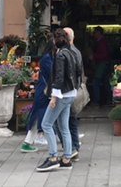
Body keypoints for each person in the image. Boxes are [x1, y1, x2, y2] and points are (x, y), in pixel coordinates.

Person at [37, 29, 77, 172]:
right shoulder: (71, 53)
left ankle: (53, 157)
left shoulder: (60, 55)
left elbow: (58, 77)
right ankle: (67, 158)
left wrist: (53, 97)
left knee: (46, 124)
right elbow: (78, 72)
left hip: (61, 95)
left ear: (55, 41)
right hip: (70, 93)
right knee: (63, 127)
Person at [20, 38, 53, 153]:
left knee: (40, 115)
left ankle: (28, 142)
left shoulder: (48, 58)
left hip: (45, 90)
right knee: (39, 115)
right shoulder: (47, 58)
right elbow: (53, 72)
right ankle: (33, 140)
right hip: (44, 91)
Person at [64, 27, 84, 160]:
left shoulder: (69, 52)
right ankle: (74, 148)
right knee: (71, 120)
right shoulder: (76, 51)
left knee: (65, 122)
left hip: (69, 91)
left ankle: (72, 148)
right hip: (73, 89)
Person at [91, 26, 111, 107]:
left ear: (98, 33)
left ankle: (96, 101)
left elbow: (104, 54)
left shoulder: (101, 42)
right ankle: (111, 98)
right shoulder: (102, 41)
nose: (93, 34)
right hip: (104, 63)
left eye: (95, 32)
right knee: (105, 82)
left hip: (102, 64)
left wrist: (94, 56)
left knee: (96, 82)